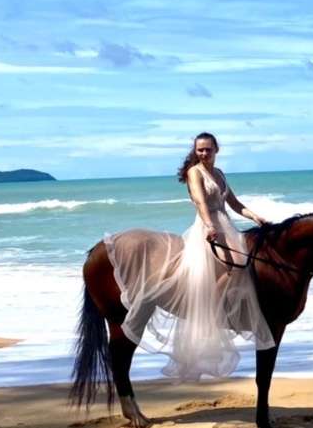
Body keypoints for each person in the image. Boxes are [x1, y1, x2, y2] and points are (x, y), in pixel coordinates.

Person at [103, 132, 273, 380]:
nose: (204, 154)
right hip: (207, 228)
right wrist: (209, 225)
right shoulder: (195, 172)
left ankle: (228, 308)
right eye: (200, 150)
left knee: (245, 263)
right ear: (196, 152)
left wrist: (255, 216)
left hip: (226, 225)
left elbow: (234, 204)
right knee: (235, 265)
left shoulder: (220, 173)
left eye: (208, 150)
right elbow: (201, 202)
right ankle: (212, 311)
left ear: (217, 150)